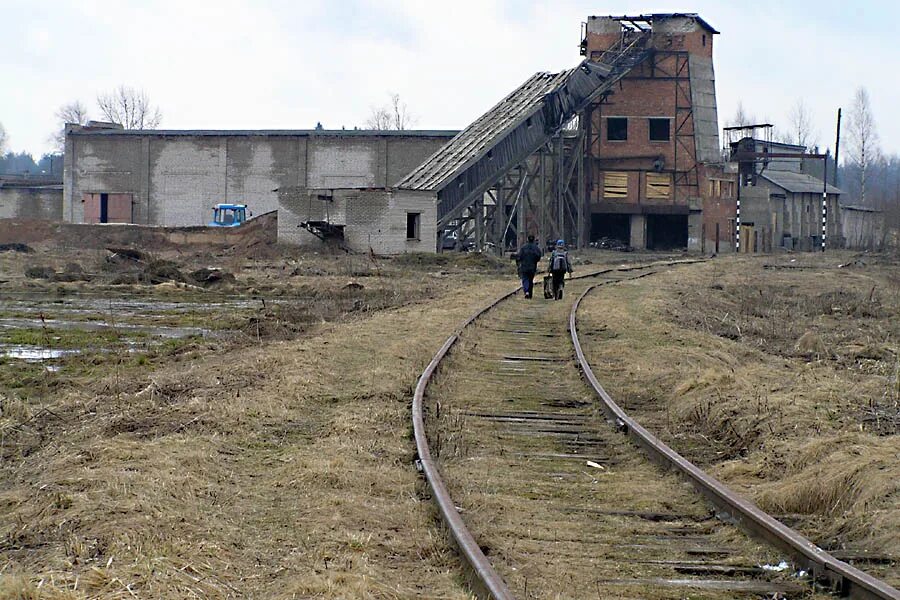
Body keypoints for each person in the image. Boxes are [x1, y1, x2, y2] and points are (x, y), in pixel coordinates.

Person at [514, 234, 542, 298]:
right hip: (532, 267)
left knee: (525, 279)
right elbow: (538, 257)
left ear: (527, 239)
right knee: (530, 280)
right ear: (534, 240)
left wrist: (519, 263)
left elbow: (519, 256)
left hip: (524, 267)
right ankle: (530, 294)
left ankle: (526, 291)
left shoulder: (523, 247)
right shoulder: (536, 248)